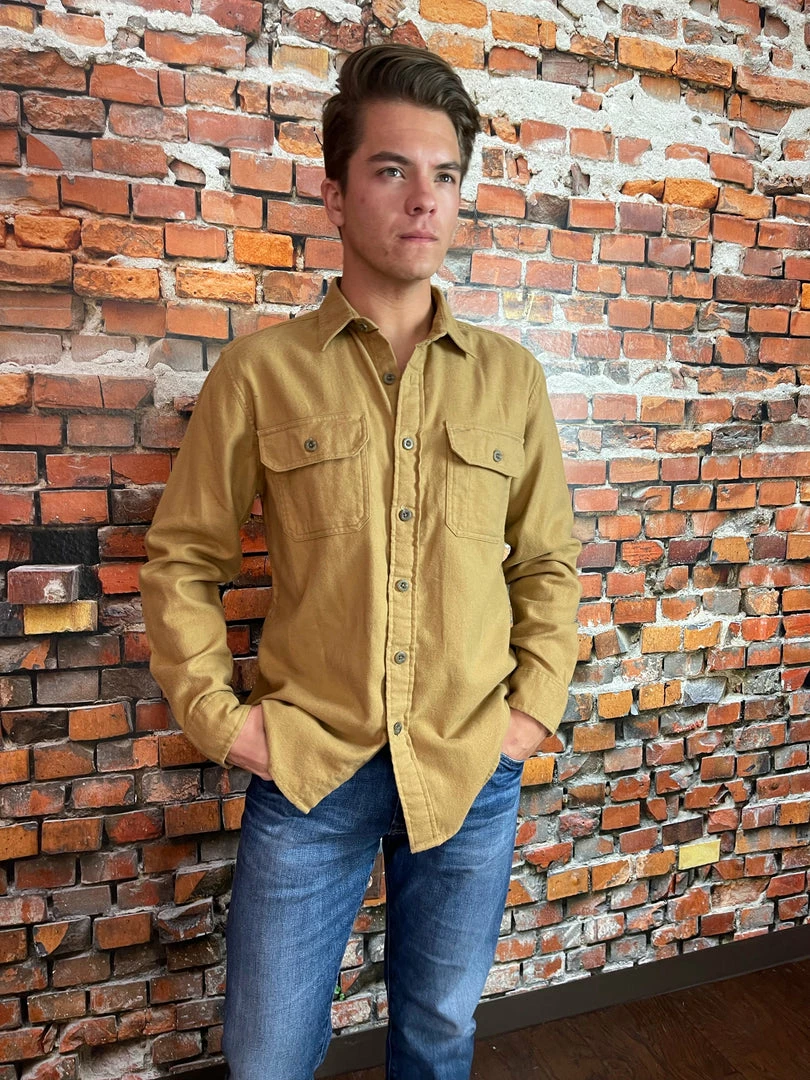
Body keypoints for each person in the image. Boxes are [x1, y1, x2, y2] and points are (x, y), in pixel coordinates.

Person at [139, 43, 581, 1080]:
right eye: (392, 169)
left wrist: (528, 714)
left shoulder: (511, 380)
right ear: (334, 192)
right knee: (266, 1056)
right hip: (311, 770)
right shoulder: (261, 373)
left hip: (470, 765)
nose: (424, 199)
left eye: (445, 175)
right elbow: (184, 557)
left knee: (438, 1035)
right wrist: (222, 720)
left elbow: (547, 563)